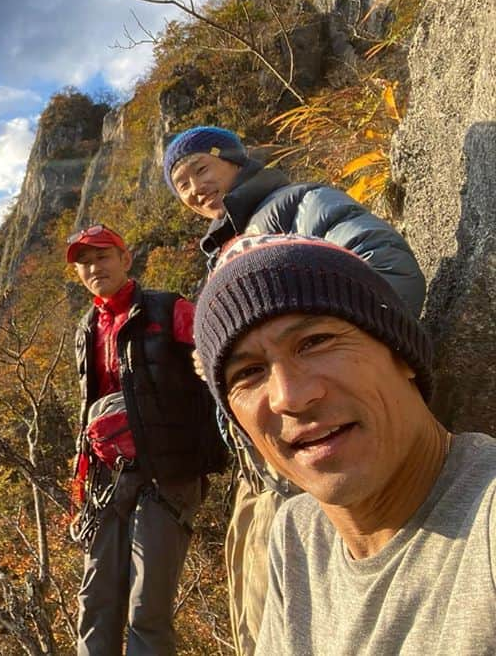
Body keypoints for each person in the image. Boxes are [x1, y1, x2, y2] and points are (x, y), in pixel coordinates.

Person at [162, 125, 427, 655]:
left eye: (200, 169)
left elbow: (390, 272)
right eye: (182, 184)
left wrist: (331, 354)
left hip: (335, 454)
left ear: (233, 160)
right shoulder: (222, 253)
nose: (195, 189)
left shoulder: (295, 205)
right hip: (272, 472)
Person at [194, 234, 495, 656]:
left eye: (315, 342)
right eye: (248, 372)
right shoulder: (299, 534)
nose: (290, 397)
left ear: (401, 352)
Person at [66, 224, 225, 656]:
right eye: (85, 262)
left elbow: (219, 365)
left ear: (125, 259)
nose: (94, 267)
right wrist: (81, 484)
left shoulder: (167, 308)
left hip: (165, 475)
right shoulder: (86, 329)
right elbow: (90, 407)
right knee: (95, 603)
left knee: (146, 608)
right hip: (106, 479)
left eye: (102, 257)